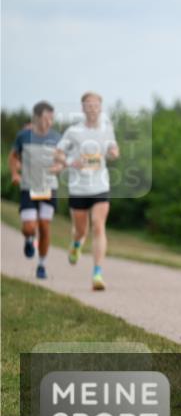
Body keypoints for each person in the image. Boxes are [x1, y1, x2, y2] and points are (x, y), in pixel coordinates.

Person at [53, 92, 119, 291]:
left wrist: (113, 153)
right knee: (82, 230)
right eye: (88, 105)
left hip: (100, 186)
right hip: (78, 188)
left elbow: (114, 150)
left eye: (95, 105)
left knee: (98, 226)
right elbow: (58, 153)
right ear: (83, 108)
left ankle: (97, 273)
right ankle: (76, 244)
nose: (92, 108)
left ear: (100, 107)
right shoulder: (74, 132)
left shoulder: (107, 129)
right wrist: (70, 162)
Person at [8, 101, 61, 279]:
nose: (49, 122)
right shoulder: (23, 136)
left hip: (49, 187)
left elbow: (61, 160)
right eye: (47, 118)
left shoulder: (56, 137)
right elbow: (13, 156)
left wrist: (58, 167)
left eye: (52, 119)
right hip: (28, 187)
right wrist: (15, 173)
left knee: (45, 226)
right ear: (37, 117)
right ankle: (29, 239)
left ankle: (42, 265)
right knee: (29, 227)